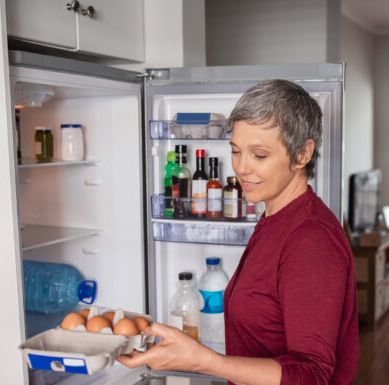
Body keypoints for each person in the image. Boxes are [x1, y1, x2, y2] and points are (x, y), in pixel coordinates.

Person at [118, 80, 358, 385]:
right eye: (235, 151)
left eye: (259, 155)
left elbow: (312, 375)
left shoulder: (310, 241)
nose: (241, 168)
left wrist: (205, 361)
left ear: (302, 154)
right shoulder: (276, 216)